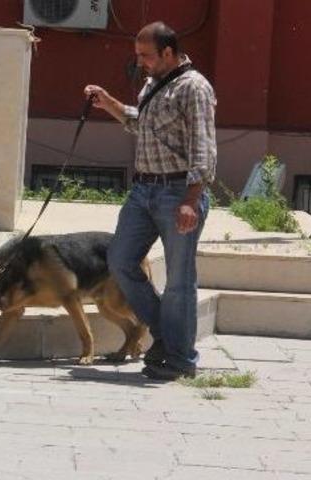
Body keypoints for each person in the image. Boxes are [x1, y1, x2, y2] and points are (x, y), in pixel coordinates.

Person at [84, 21, 216, 380]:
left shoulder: (194, 87)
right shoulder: (152, 83)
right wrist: (109, 103)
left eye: (146, 55)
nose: (140, 61)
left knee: (179, 280)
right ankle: (166, 338)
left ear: (168, 53)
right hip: (143, 191)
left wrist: (192, 198)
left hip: (178, 193)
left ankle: (180, 358)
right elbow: (141, 124)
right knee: (120, 260)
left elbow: (203, 148)